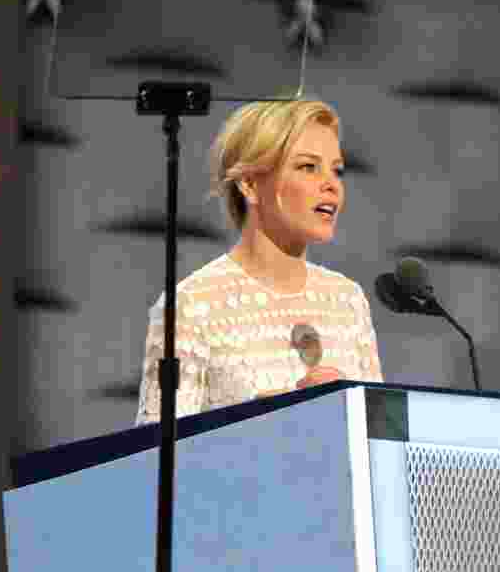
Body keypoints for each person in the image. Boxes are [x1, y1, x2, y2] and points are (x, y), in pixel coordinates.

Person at [134, 99, 383, 425]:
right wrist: (257, 420)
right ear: (250, 184)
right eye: (308, 167)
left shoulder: (348, 300)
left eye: (336, 170)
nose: (331, 184)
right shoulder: (190, 307)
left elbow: (379, 440)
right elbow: (156, 460)